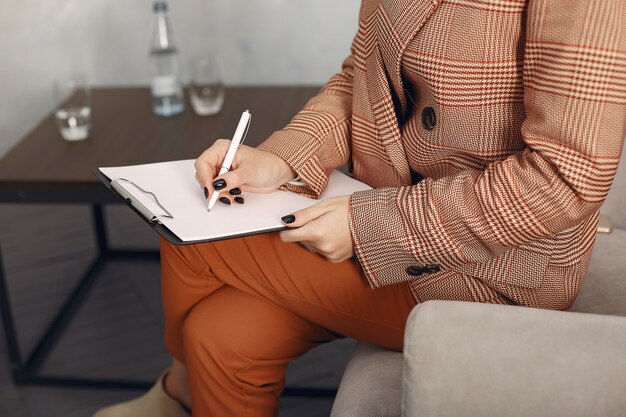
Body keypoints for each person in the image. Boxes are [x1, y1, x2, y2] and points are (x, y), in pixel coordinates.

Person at [95, 0, 626, 416]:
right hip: (379, 200)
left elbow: (564, 176)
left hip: (494, 264)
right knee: (222, 335)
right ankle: (188, 385)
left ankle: (179, 392)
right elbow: (361, 79)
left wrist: (370, 226)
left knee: (190, 242)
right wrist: (281, 159)